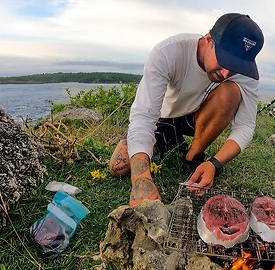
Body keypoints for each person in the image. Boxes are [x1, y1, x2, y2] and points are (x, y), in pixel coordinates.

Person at [109, 13, 264, 207]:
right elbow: (144, 116)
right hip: (163, 117)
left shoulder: (245, 72)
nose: (226, 73)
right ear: (208, 40)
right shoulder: (168, 52)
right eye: (224, 61)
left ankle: (192, 157)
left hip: (199, 116)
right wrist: (141, 179)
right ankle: (168, 139)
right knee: (119, 166)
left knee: (231, 92)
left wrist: (214, 164)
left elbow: (245, 125)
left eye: (235, 67)